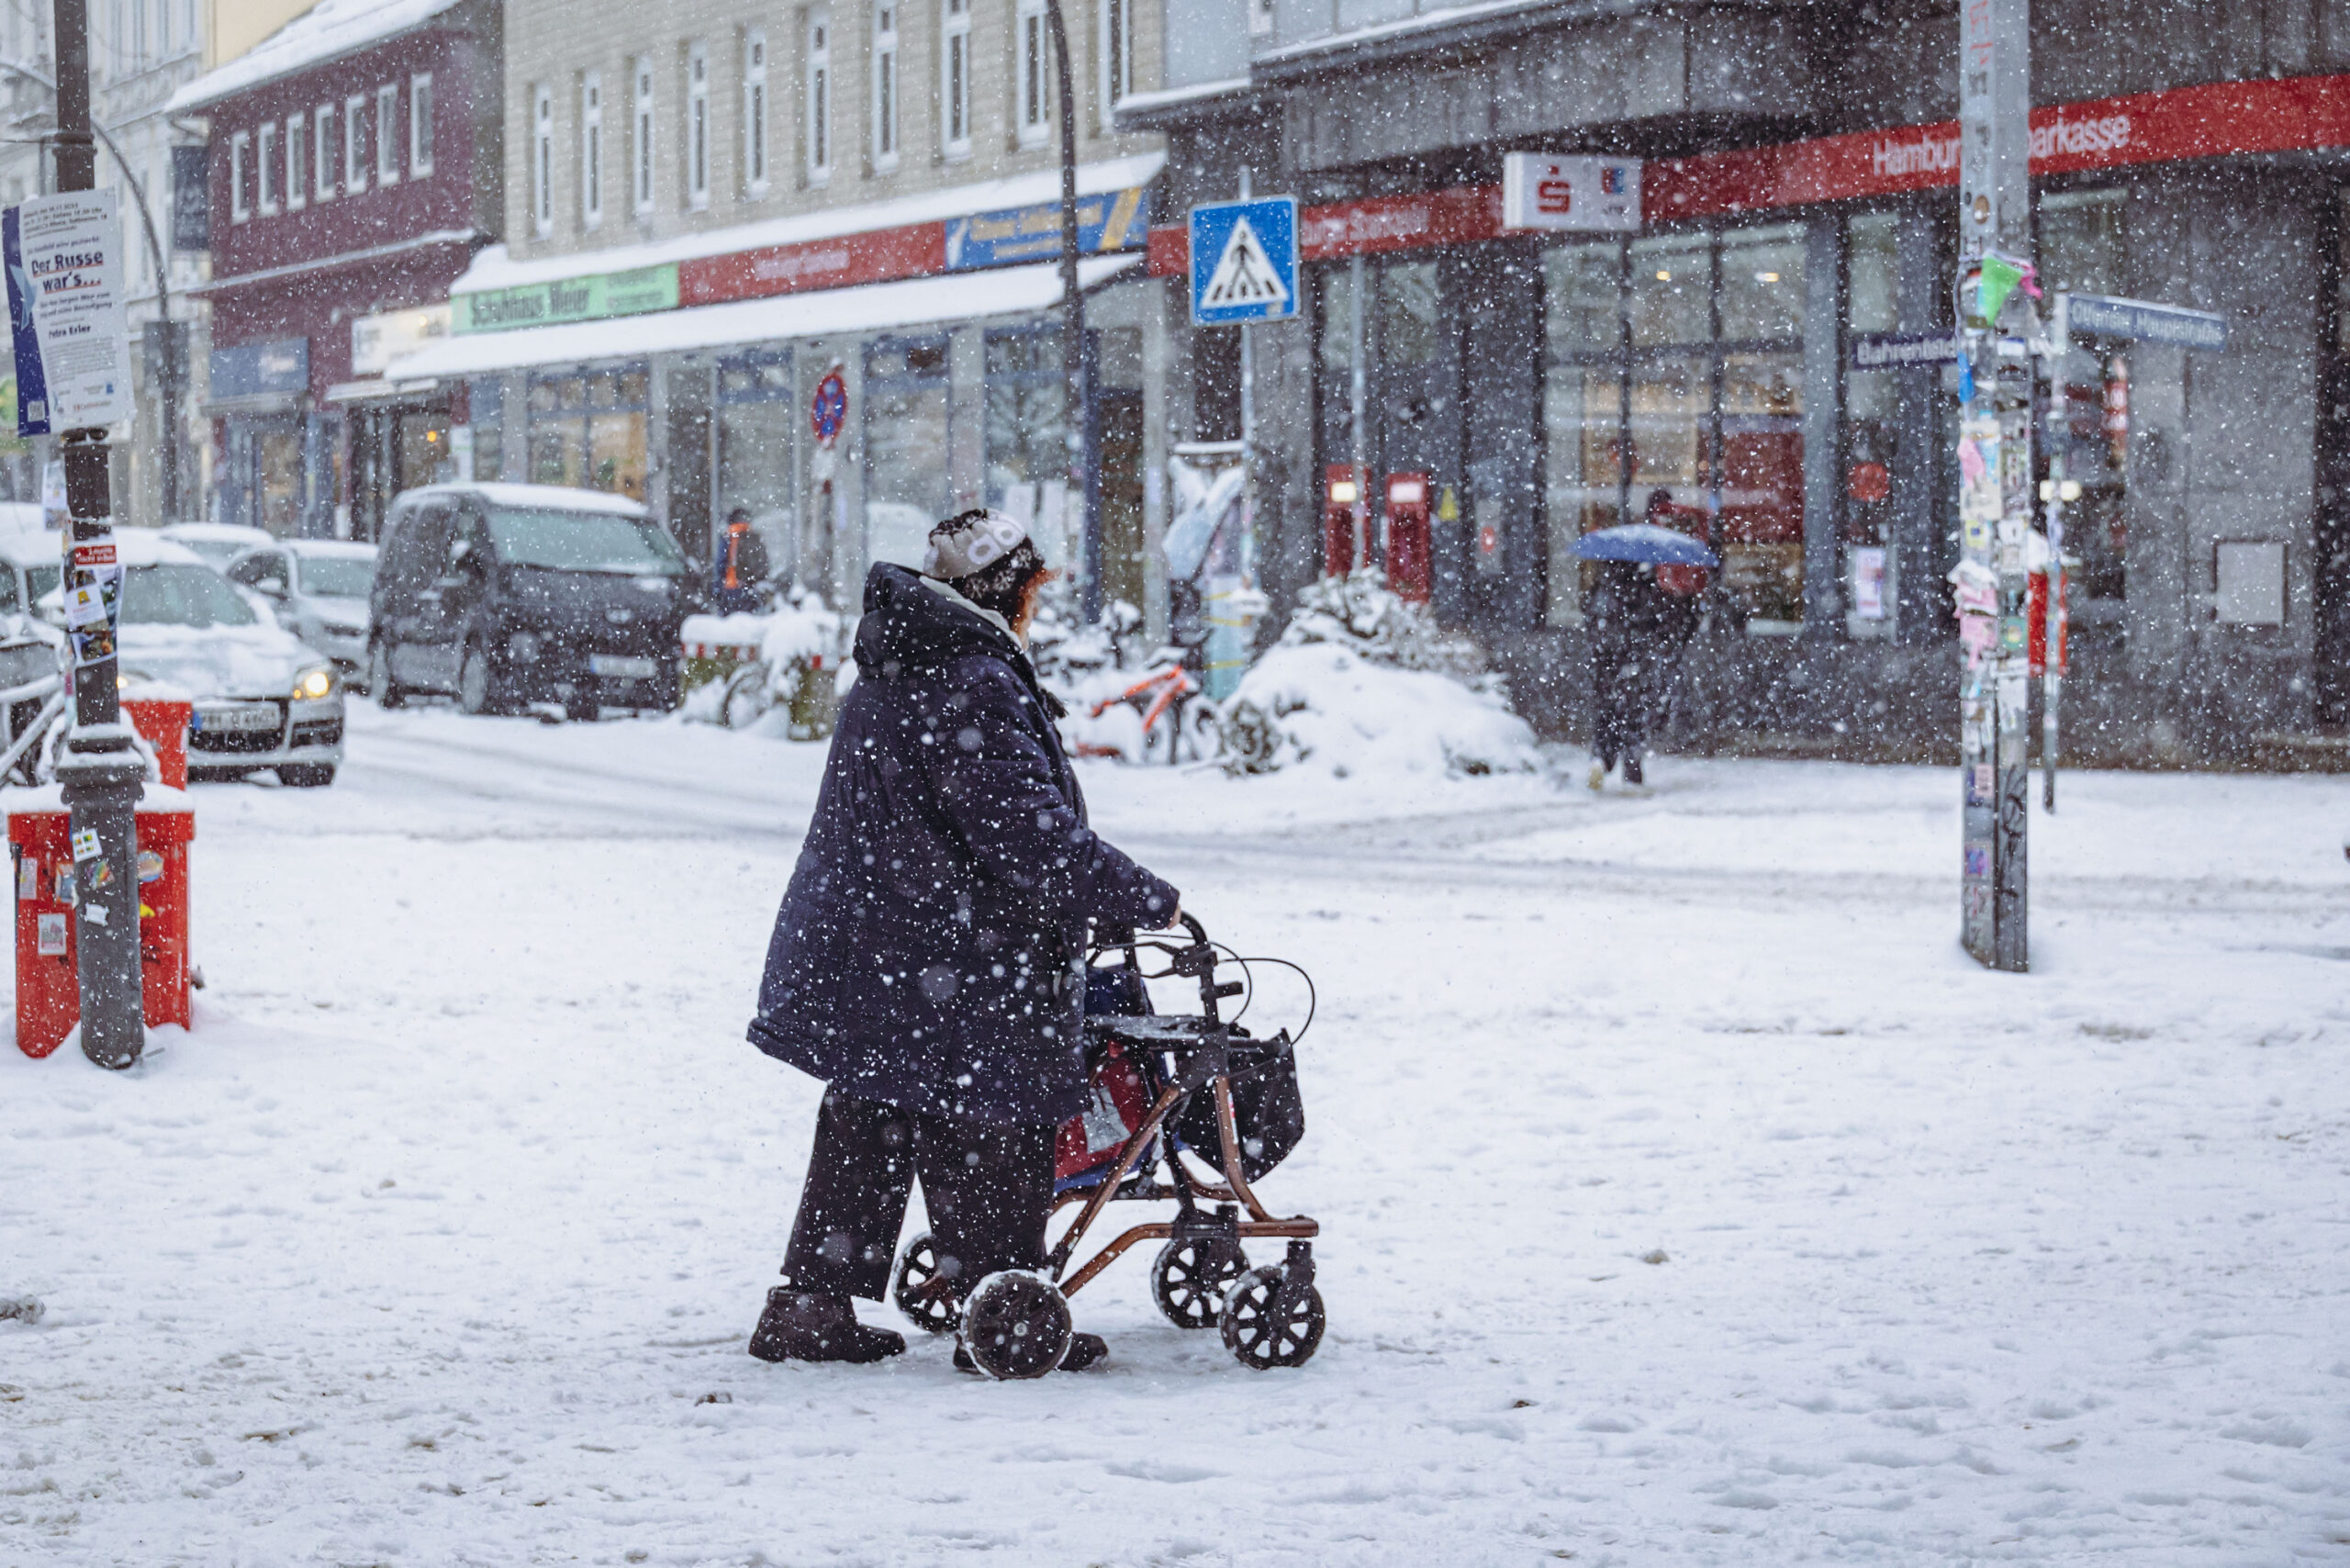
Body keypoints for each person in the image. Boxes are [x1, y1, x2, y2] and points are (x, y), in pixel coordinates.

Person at [744, 509, 1181, 1373]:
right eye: (1030, 586)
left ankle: (811, 1305)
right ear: (1000, 587)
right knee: (996, 1100)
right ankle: (1003, 1303)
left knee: (877, 1104)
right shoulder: (969, 677)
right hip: (943, 949)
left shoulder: (909, 658)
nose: (1035, 604)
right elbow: (1027, 838)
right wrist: (1144, 897)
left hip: (886, 940)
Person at [710, 508, 772, 614]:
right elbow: (764, 563)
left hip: (731, 588)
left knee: (730, 626)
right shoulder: (754, 535)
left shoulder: (728, 536)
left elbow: (720, 564)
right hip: (751, 588)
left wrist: (717, 588)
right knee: (748, 623)